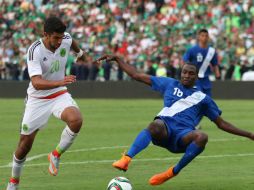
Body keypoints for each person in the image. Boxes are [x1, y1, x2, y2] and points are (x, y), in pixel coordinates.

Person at [97, 54, 254, 186]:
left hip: (182, 137)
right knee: (154, 125)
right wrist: (118, 59)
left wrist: (249, 134)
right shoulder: (169, 84)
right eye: (184, 72)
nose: (186, 75)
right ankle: (126, 159)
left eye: (190, 73)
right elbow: (136, 75)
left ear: (196, 76)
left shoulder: (203, 99)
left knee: (202, 136)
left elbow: (221, 123)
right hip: (164, 130)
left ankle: (172, 172)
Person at [6, 17, 89, 190]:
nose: (60, 41)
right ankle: (13, 182)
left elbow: (71, 41)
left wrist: (80, 54)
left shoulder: (64, 39)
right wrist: (61, 81)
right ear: (45, 35)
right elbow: (36, 82)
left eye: (61, 37)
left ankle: (55, 154)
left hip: (59, 94)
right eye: (55, 38)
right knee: (25, 145)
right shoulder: (34, 50)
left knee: (76, 120)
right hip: (38, 99)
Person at [183, 29, 220, 97]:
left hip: (205, 78)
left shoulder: (211, 51)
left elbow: (215, 64)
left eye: (206, 36)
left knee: (208, 99)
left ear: (208, 37)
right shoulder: (192, 50)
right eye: (202, 36)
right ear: (198, 37)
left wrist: (217, 74)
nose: (204, 38)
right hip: (195, 79)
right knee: (198, 98)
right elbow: (185, 61)